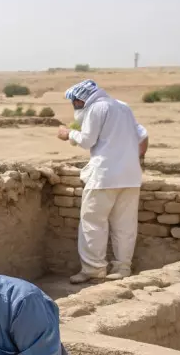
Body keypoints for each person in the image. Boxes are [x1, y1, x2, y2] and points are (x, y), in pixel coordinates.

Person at [56, 79, 149, 283]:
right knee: (125, 225)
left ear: (82, 99)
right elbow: (143, 137)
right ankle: (122, 268)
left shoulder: (97, 108)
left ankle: (93, 269)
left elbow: (87, 140)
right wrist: (133, 160)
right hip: (130, 176)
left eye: (76, 103)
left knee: (93, 222)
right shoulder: (122, 106)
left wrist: (68, 133)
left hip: (104, 176)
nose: (75, 107)